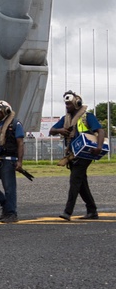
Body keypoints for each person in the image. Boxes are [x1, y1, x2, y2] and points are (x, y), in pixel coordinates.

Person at [50, 90, 106, 220]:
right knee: (81, 183)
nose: (67, 106)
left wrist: (99, 147)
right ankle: (92, 211)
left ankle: (67, 212)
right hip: (73, 154)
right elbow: (52, 130)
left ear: (77, 103)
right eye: (66, 104)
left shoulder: (87, 117)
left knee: (75, 181)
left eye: (69, 104)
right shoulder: (65, 119)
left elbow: (100, 131)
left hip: (85, 154)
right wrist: (61, 130)